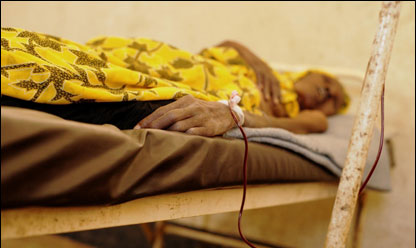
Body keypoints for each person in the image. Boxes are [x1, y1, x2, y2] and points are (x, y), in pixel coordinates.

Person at [1, 28, 349, 136]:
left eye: (335, 101)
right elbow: (222, 47)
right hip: (157, 57)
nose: (328, 94)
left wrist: (237, 114)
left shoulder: (296, 112)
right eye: (328, 82)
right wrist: (257, 60)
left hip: (177, 86)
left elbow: (312, 124)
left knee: (82, 78)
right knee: (44, 47)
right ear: (306, 73)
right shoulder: (265, 72)